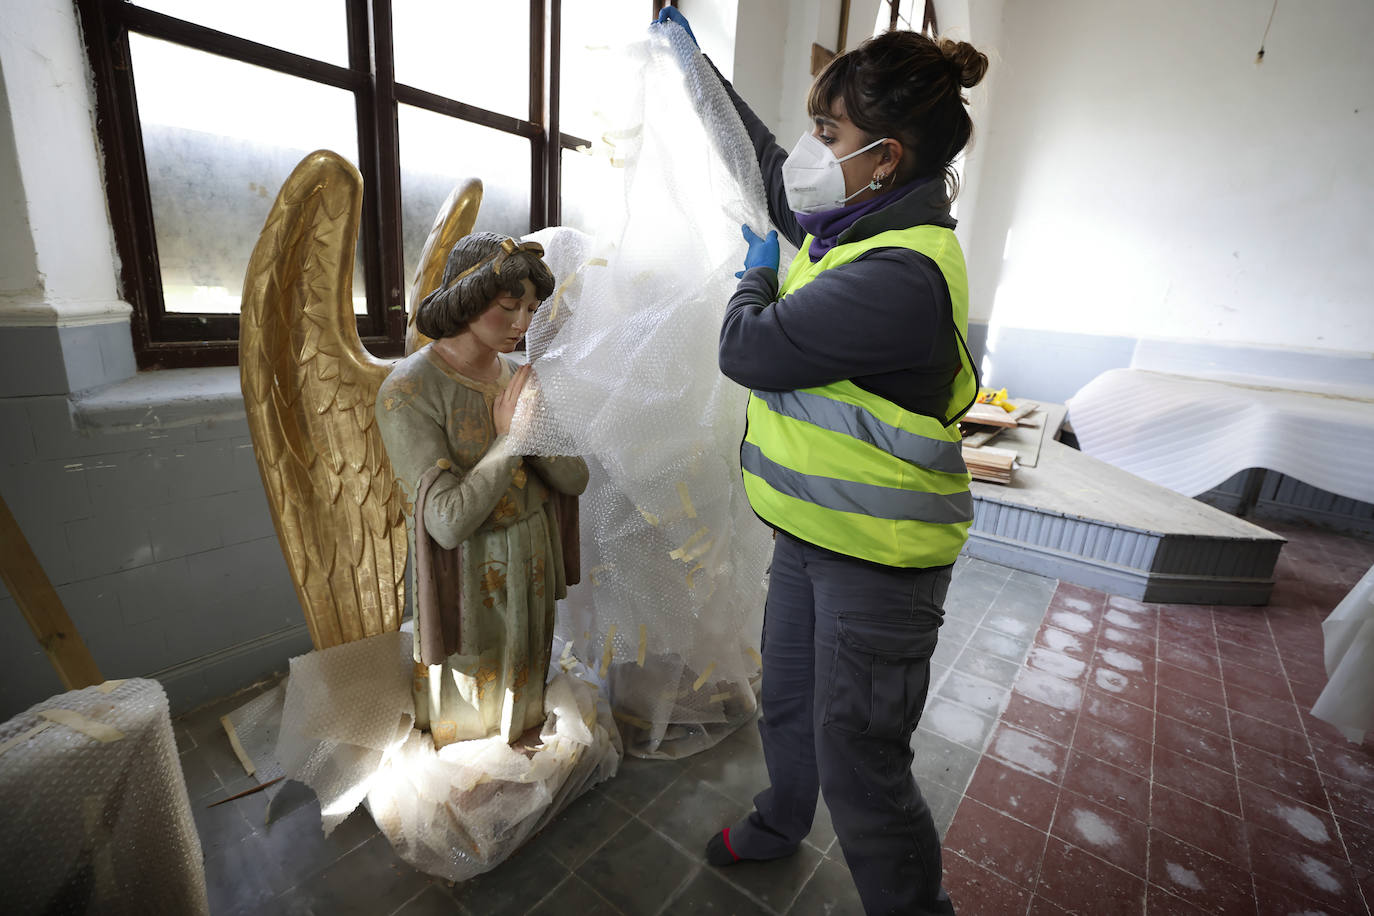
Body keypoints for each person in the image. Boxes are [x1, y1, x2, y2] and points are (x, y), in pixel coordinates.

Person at [655, 8, 987, 915]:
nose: (807, 150)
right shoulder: (847, 223)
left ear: (885, 158)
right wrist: (692, 64)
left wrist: (754, 273)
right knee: (790, 706)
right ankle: (778, 822)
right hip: (810, 535)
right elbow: (761, 160)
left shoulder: (900, 275)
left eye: (827, 133)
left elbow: (750, 350)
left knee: (863, 762)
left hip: (878, 563)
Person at [376, 233, 589, 748]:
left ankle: (523, 740)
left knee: (527, 667)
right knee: (473, 692)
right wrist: (513, 439)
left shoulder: (518, 376)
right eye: (509, 306)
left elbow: (576, 479)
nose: (523, 324)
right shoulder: (410, 389)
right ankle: (476, 761)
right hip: (472, 569)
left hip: (533, 551)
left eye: (532, 309)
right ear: (468, 299)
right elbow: (446, 523)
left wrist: (531, 437)